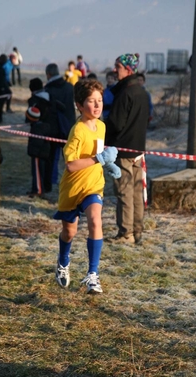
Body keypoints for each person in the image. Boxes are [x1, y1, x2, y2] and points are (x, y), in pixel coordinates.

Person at [53, 79, 121, 294]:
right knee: (69, 232)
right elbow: (71, 165)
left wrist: (108, 164)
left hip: (93, 186)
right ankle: (63, 261)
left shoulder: (101, 126)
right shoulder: (77, 131)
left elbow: (98, 153)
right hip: (73, 188)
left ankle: (93, 275)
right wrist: (99, 159)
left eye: (100, 100)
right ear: (80, 106)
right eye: (91, 101)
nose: (97, 105)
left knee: (95, 220)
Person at [105, 53, 149, 244]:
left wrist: (101, 128)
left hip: (122, 150)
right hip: (138, 150)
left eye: (118, 67)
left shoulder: (125, 93)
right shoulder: (142, 92)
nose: (115, 70)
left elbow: (115, 124)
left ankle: (126, 234)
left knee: (124, 192)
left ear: (128, 70)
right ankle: (137, 231)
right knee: (136, 192)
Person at [44, 63, 76, 185]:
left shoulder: (48, 89)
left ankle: (51, 182)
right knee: (70, 158)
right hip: (69, 127)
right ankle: (73, 181)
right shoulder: (69, 87)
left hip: (53, 128)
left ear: (48, 74)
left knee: (51, 158)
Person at [26, 78, 53, 197]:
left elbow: (32, 116)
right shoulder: (49, 97)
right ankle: (41, 187)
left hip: (38, 133)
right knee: (43, 164)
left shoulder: (35, 101)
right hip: (48, 132)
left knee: (36, 164)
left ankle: (37, 190)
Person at [0, 54, 13, 123]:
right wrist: (3, 88)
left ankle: (0, 116)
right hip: (0, 88)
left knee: (0, 104)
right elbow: (0, 79)